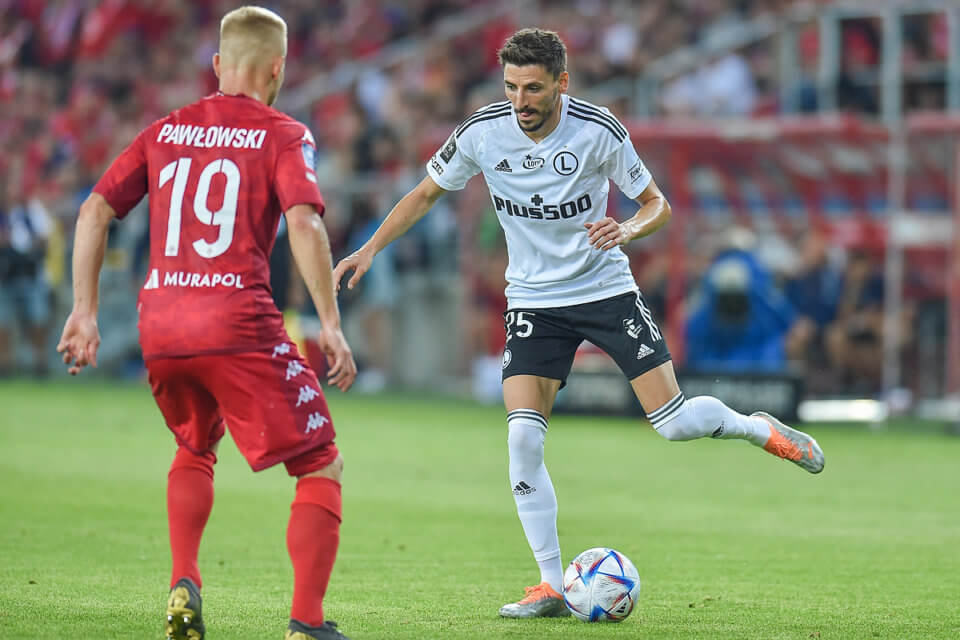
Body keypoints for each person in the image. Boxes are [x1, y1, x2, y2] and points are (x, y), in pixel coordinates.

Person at [333, 28, 825, 620]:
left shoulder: (599, 131)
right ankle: (550, 586)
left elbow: (657, 205)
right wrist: (369, 249)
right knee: (521, 437)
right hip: (534, 301)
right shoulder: (482, 133)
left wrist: (627, 230)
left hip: (604, 289)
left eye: (534, 88)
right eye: (511, 86)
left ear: (562, 83)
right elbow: (424, 194)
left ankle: (754, 429)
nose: (521, 101)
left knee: (671, 424)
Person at [56, 7, 357, 640]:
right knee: (319, 462)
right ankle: (307, 623)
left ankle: (183, 585)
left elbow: (93, 210)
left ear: (219, 66)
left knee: (194, 445)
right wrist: (329, 321)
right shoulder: (284, 133)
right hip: (237, 321)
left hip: (161, 324)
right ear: (278, 68)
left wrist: (83, 312)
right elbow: (303, 221)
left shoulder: (165, 130)